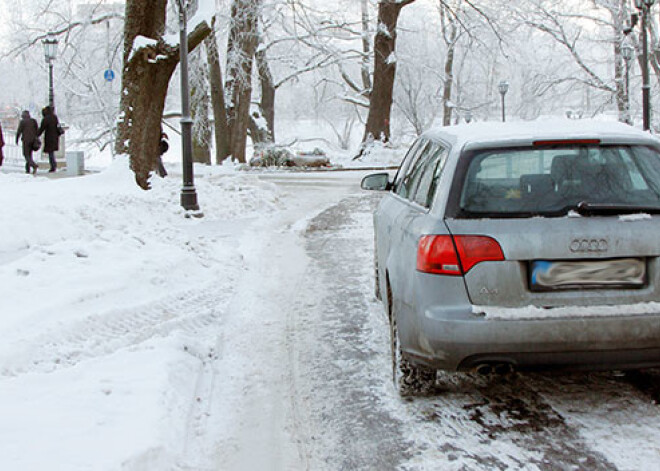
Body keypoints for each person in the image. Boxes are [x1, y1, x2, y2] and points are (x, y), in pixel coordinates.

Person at [38, 106, 62, 173]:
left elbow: (42, 128)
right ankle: (53, 165)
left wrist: (36, 135)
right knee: (51, 152)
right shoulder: (54, 117)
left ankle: (53, 166)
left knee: (50, 152)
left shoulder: (46, 119)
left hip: (49, 137)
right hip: (55, 137)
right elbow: (58, 126)